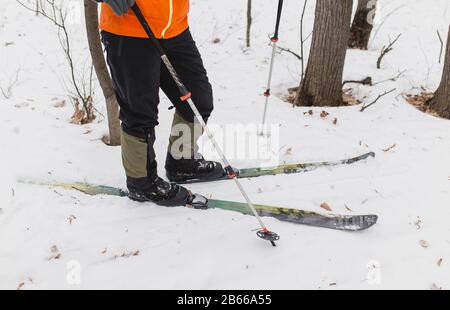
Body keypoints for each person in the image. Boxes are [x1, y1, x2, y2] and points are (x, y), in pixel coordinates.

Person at [97, 0, 224, 206]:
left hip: (175, 28)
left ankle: (181, 162)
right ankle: (142, 183)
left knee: (197, 100)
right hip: (130, 30)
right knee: (140, 113)